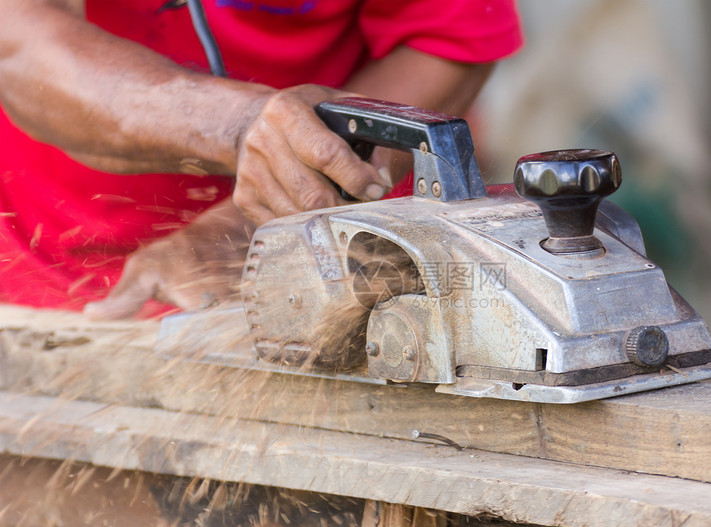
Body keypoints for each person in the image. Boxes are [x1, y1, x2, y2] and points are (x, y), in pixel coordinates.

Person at [0, 0, 522, 319]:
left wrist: (262, 220)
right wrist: (238, 122)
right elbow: (19, 42)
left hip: (331, 265)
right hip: (38, 268)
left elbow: (448, 41)